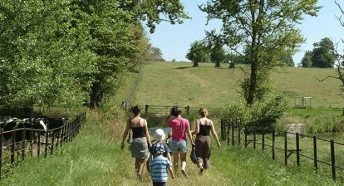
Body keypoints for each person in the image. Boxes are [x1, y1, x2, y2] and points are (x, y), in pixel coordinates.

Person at [121, 105, 152, 178]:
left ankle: (137, 175)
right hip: (143, 140)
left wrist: (123, 142)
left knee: (137, 159)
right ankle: (140, 172)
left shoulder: (130, 121)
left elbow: (126, 132)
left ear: (133, 112)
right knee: (144, 157)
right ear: (139, 112)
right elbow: (147, 133)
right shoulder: (143, 121)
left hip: (134, 141)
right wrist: (150, 143)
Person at [166, 106, 194, 178]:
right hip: (183, 142)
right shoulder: (186, 121)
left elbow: (167, 122)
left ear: (173, 113)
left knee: (175, 160)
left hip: (174, 142)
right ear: (180, 113)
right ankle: (183, 168)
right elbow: (188, 133)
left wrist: (170, 115)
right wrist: (192, 141)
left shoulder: (172, 121)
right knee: (183, 159)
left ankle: (175, 174)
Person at [192, 108, 221, 174]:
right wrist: (218, 141)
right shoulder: (210, 121)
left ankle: (200, 165)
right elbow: (214, 132)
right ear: (206, 113)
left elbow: (197, 131)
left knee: (199, 154)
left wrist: (192, 133)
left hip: (200, 138)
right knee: (207, 155)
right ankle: (206, 169)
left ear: (200, 113)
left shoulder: (198, 121)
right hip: (207, 139)